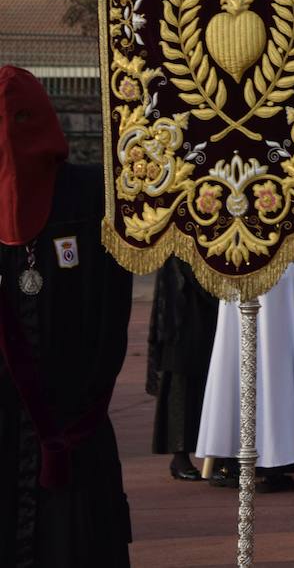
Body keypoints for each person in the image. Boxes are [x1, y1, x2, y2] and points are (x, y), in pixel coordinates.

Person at [0, 66, 133, 567]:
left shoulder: (93, 199)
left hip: (77, 426)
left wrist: (81, 412)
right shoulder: (95, 195)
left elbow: (110, 313)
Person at [196, 259, 294, 491]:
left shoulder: (239, 268)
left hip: (251, 273)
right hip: (271, 279)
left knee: (245, 372)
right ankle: (272, 463)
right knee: (271, 378)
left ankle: (236, 459)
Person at [147, 255, 218, 481]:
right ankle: (180, 457)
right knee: (181, 389)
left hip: (196, 321)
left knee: (202, 389)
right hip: (183, 322)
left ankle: (212, 457)